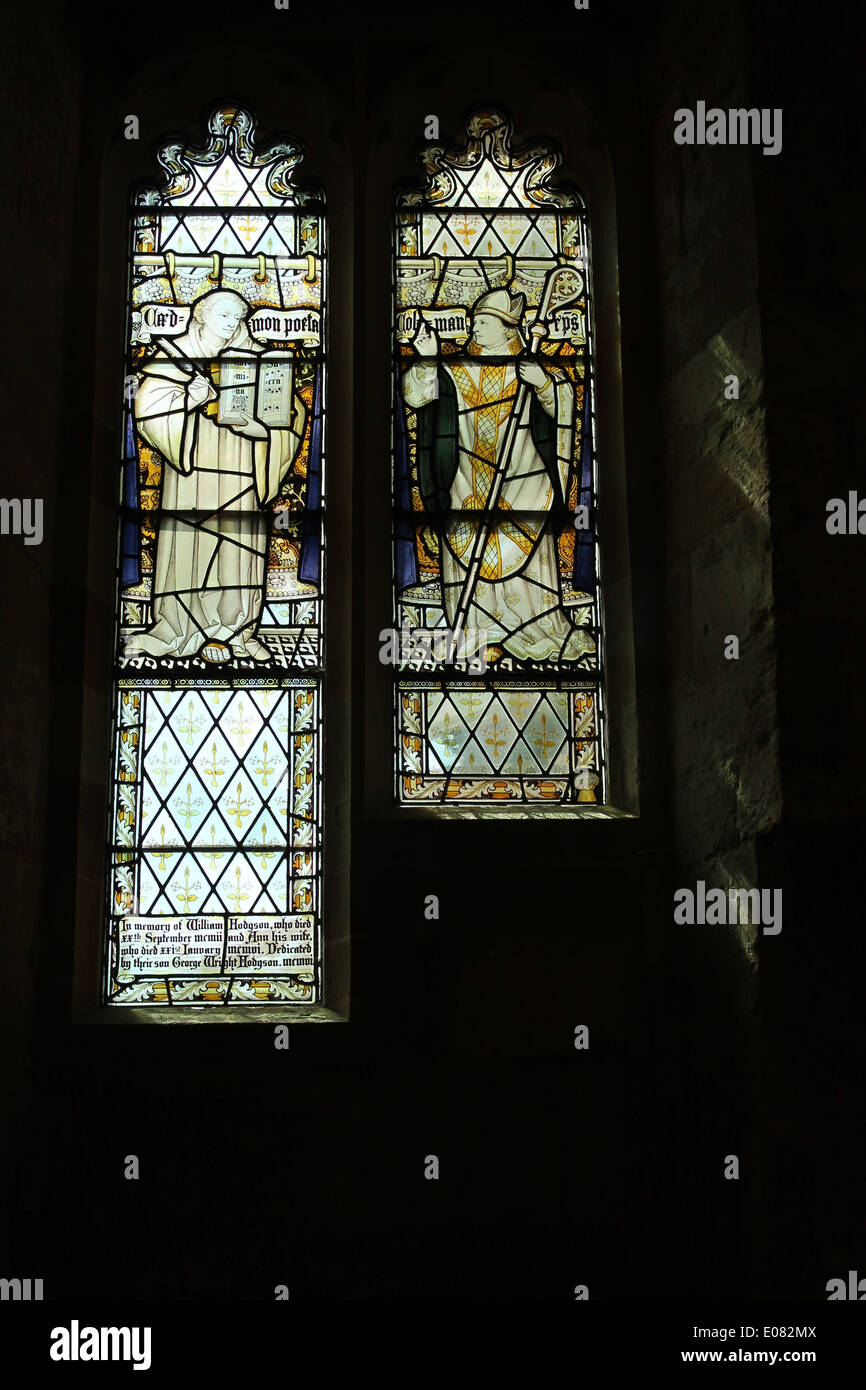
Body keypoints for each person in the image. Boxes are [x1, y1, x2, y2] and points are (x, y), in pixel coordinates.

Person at [401, 287, 595, 663]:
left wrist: (542, 383)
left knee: (525, 543)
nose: (475, 327)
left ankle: (532, 628)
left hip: (523, 479)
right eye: (475, 321)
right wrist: (426, 360)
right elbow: (414, 395)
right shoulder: (454, 370)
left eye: (484, 322)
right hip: (466, 482)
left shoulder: (530, 368)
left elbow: (564, 405)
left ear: (507, 328)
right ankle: (474, 630)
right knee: (467, 541)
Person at [128, 289, 306, 661]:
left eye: (237, 317)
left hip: (243, 465)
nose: (231, 324)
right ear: (200, 315)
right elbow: (147, 408)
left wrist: (261, 429)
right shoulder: (175, 355)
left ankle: (234, 628)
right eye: (223, 315)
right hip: (193, 470)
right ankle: (179, 628)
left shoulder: (259, 359)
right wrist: (190, 399)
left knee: (238, 542)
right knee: (191, 540)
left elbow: (290, 414)